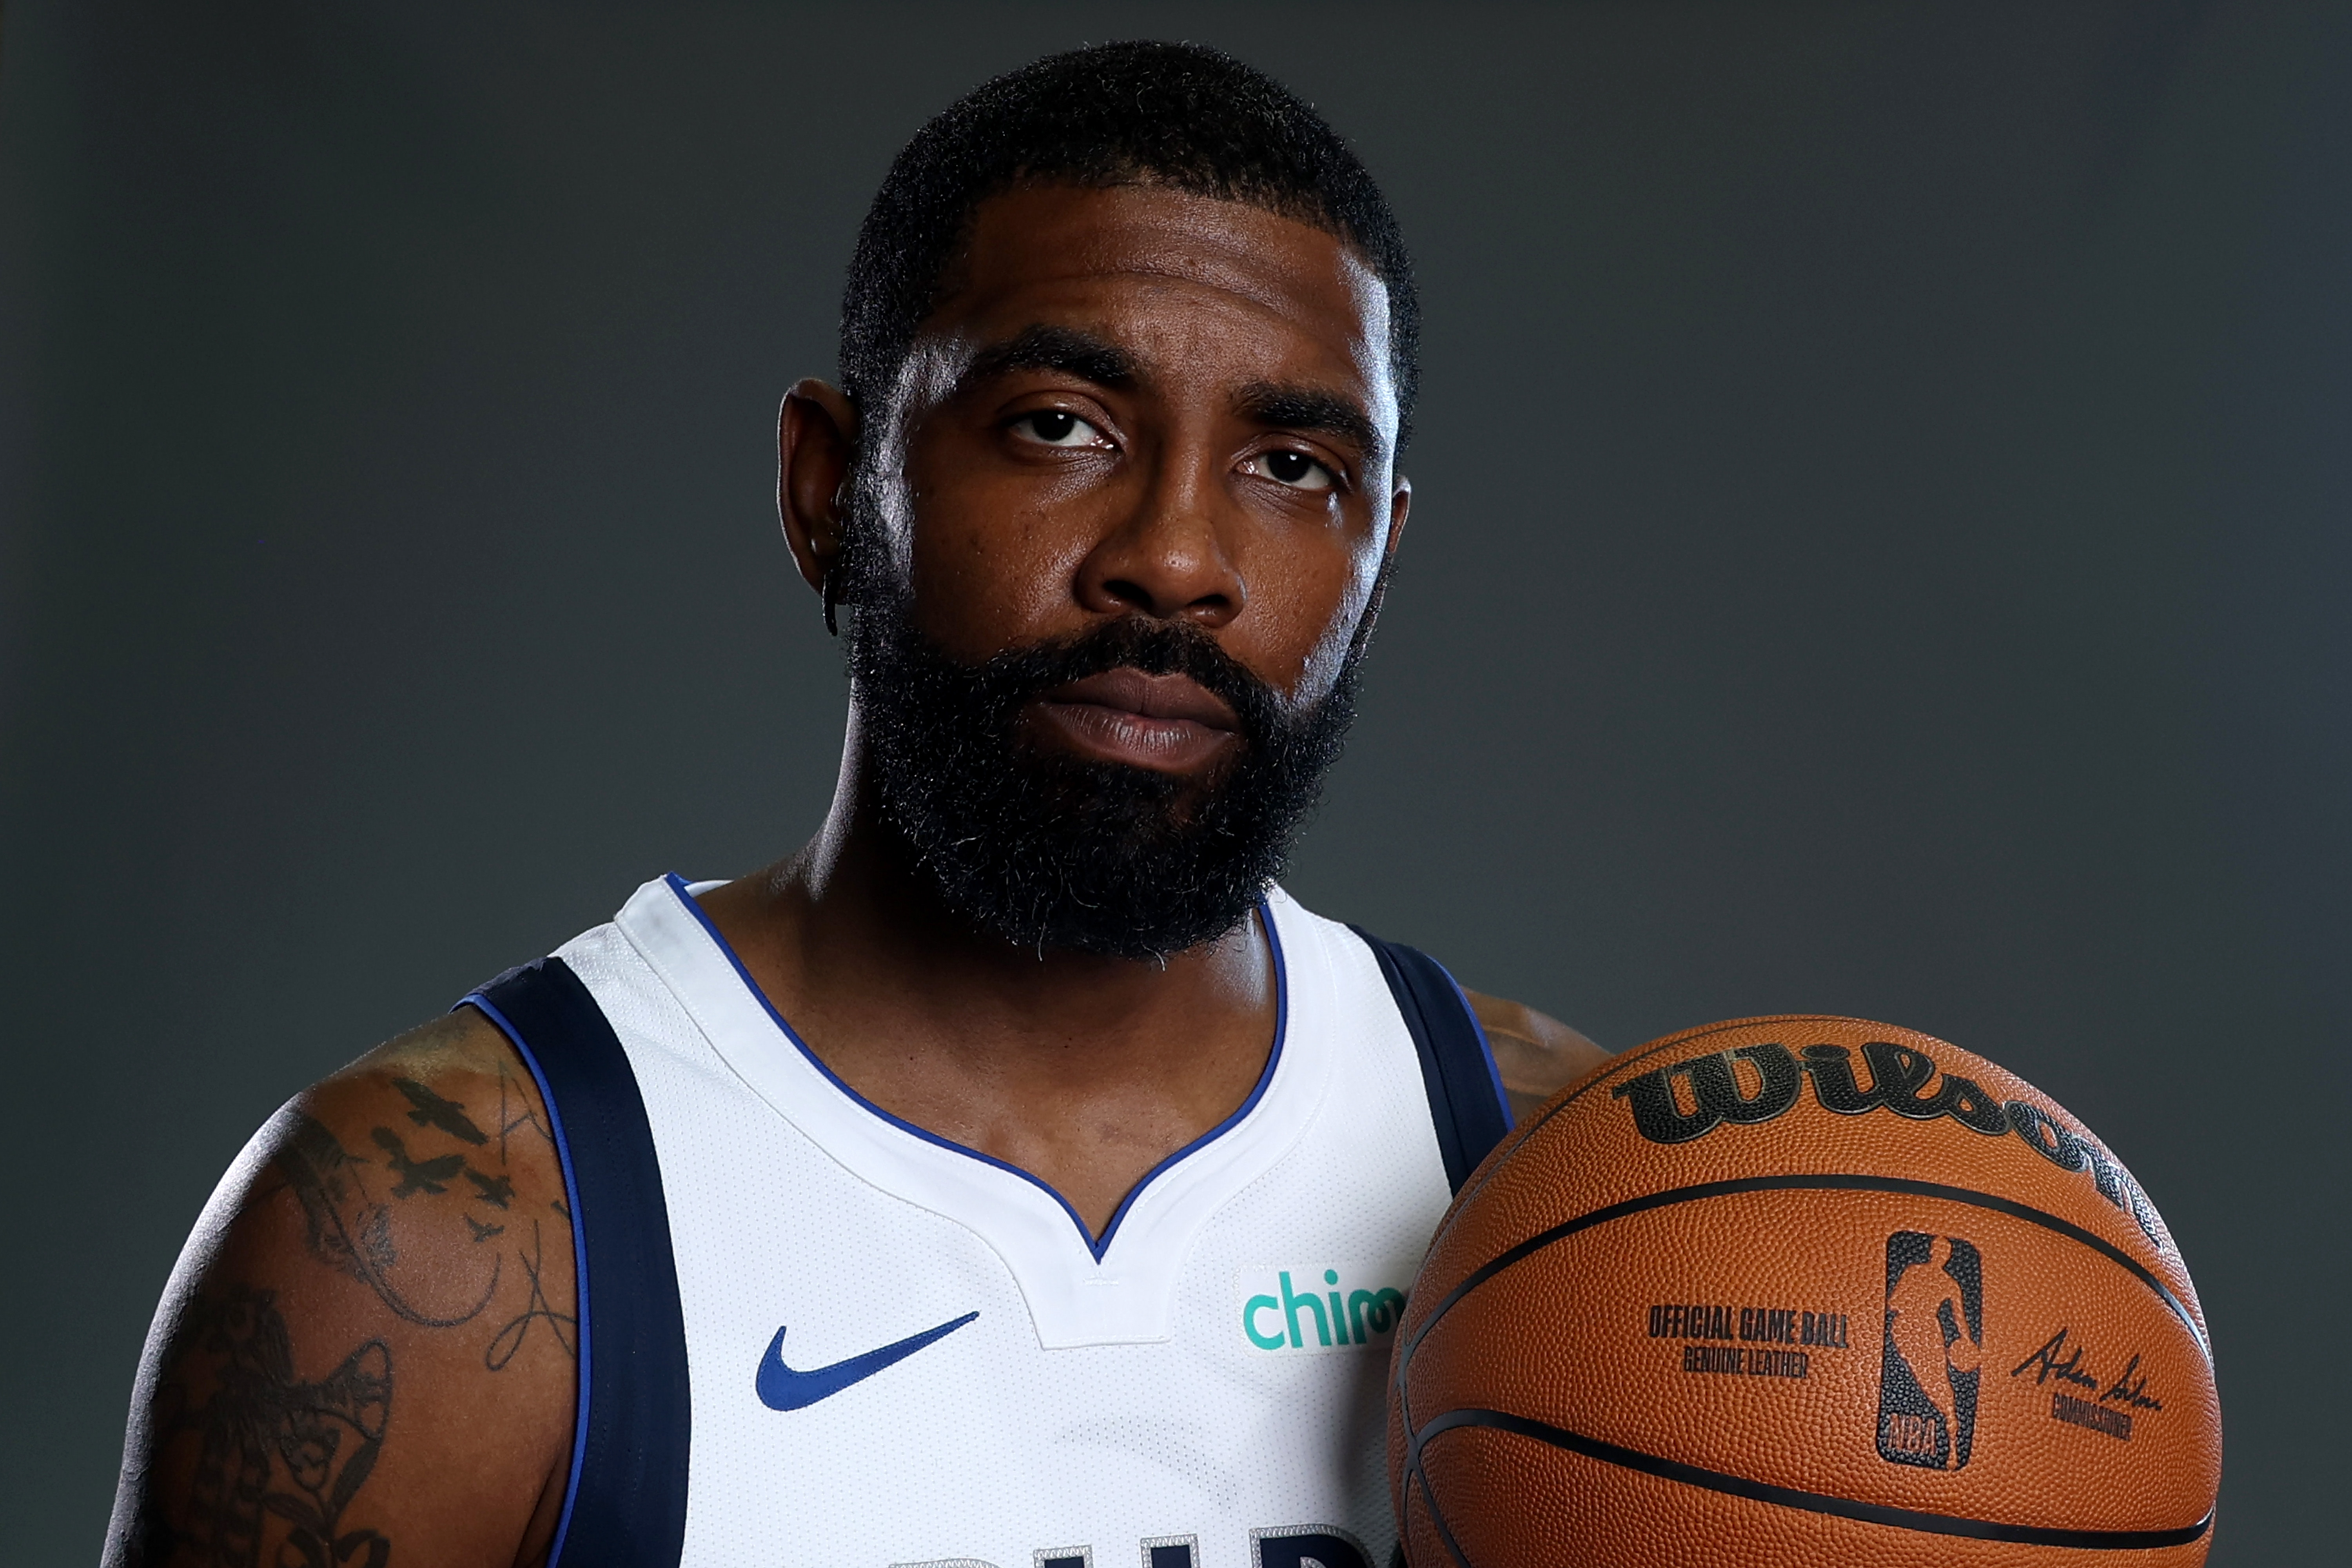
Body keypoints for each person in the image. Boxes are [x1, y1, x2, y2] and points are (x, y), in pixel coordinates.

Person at [104, 41, 1604, 1568]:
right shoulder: (432, 1242)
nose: (1174, 554)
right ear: (830, 486)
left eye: (1292, 464)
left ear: (1383, 558)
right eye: (1060, 423)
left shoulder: (1561, 1170)